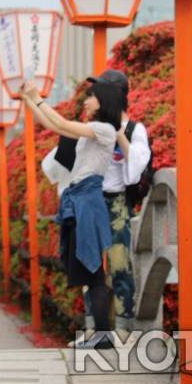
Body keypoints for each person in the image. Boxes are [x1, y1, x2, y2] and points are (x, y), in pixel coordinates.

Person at [21, 78, 124, 349]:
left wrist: (38, 98)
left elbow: (63, 125)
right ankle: (100, 334)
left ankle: (103, 335)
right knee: (90, 273)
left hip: (87, 201)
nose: (87, 101)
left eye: (91, 96)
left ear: (104, 101)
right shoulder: (95, 128)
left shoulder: (104, 129)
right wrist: (31, 101)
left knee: (94, 272)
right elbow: (55, 125)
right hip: (80, 199)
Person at [90, 70, 150, 334]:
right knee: (90, 262)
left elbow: (136, 166)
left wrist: (118, 134)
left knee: (119, 261)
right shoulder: (93, 126)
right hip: (91, 198)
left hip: (116, 201)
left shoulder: (136, 130)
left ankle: (124, 324)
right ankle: (94, 326)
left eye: (98, 93)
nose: (93, 98)